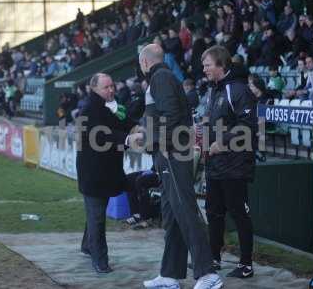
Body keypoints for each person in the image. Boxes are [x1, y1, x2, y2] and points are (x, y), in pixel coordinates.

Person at [139, 44, 223, 289]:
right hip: (170, 153)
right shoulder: (163, 77)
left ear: (145, 62)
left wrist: (164, 143)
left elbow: (172, 113)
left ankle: (208, 274)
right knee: (172, 214)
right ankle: (170, 274)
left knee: (185, 211)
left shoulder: (160, 77)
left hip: (173, 153)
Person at [76, 73, 142, 274]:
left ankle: (88, 246)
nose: (111, 90)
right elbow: (103, 134)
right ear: (93, 89)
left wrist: (138, 128)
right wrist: (128, 139)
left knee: (96, 213)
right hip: (93, 173)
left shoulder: (111, 106)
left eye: (112, 86)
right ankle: (100, 260)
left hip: (107, 172)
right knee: (97, 217)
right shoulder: (89, 110)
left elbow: (124, 123)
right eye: (106, 87)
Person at [202, 45, 257, 279]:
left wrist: (220, 142)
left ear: (221, 66)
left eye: (207, 65)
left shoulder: (239, 90)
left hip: (234, 166)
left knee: (239, 214)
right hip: (215, 166)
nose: (204, 69)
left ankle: (246, 265)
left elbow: (247, 127)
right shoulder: (213, 90)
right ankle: (214, 259)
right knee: (213, 213)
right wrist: (203, 140)